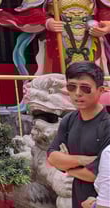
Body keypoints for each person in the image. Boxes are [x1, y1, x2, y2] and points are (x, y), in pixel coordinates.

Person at [47, 61, 110, 208]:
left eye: (85, 88)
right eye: (71, 87)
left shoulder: (107, 125)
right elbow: (52, 157)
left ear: (101, 90)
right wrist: (84, 160)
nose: (77, 93)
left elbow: (96, 175)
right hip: (77, 199)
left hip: (100, 201)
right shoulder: (70, 119)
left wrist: (67, 166)